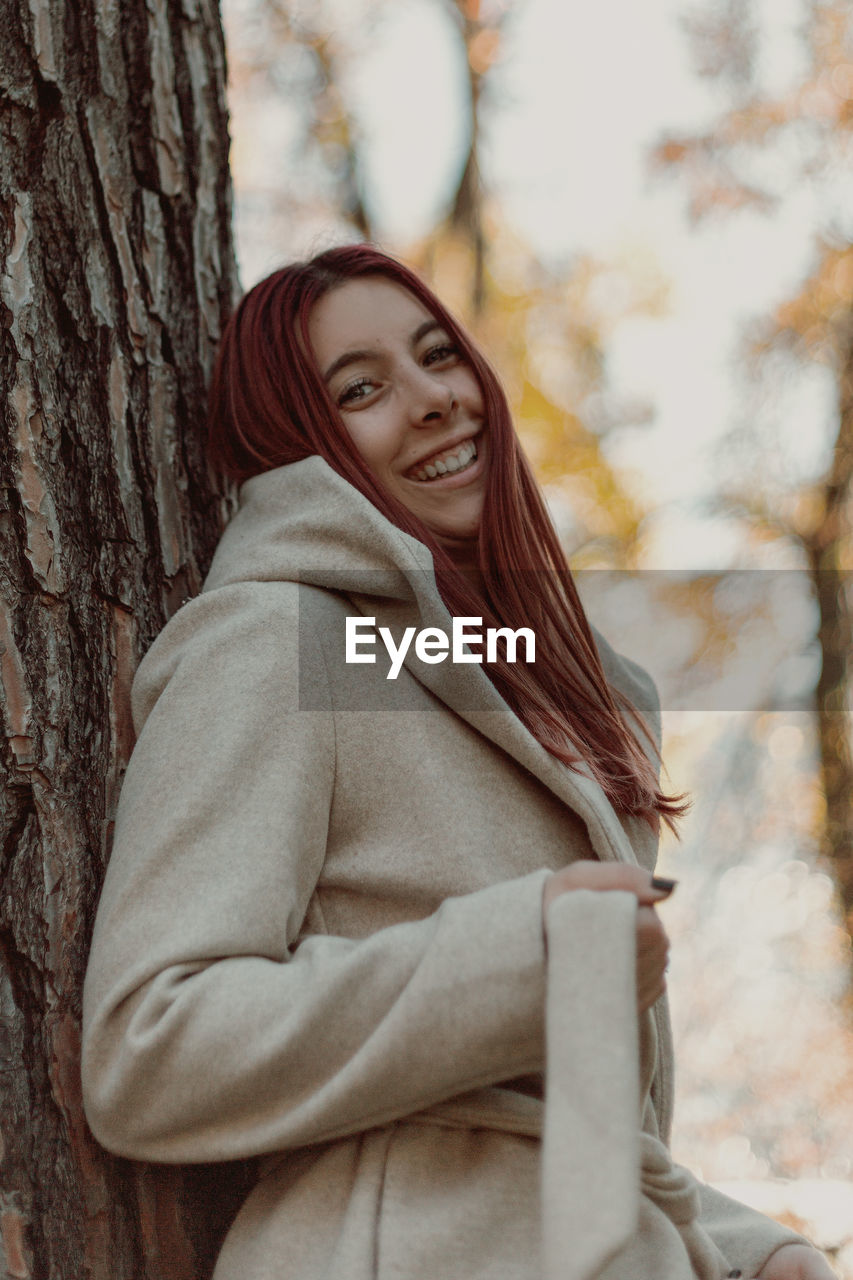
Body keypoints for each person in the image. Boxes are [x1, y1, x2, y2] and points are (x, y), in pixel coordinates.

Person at [81, 245, 833, 1280]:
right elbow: (149, 1044)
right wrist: (519, 955)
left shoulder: (579, 697)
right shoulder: (277, 640)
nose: (433, 400)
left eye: (439, 357)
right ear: (301, 443)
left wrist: (748, 1250)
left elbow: (555, 1120)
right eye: (362, 390)